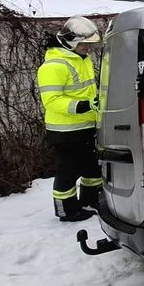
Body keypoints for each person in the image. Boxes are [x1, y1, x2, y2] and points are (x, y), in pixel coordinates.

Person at [38, 16, 104, 223]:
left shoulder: (81, 59)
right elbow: (52, 101)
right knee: (69, 170)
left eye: (90, 44)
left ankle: (90, 201)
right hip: (65, 131)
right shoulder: (54, 66)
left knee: (92, 166)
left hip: (86, 126)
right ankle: (66, 210)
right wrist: (85, 106)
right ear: (70, 41)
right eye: (85, 44)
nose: (88, 48)